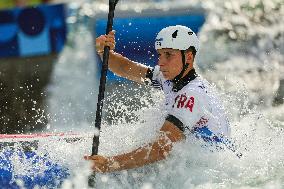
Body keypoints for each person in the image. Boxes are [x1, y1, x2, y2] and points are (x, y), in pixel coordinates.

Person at [84, 25, 231, 172]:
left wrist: (109, 164)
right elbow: (125, 68)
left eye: (168, 55)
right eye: (160, 55)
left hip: (211, 172)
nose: (161, 62)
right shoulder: (169, 78)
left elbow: (161, 149)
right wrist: (104, 51)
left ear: (189, 57)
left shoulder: (192, 94)